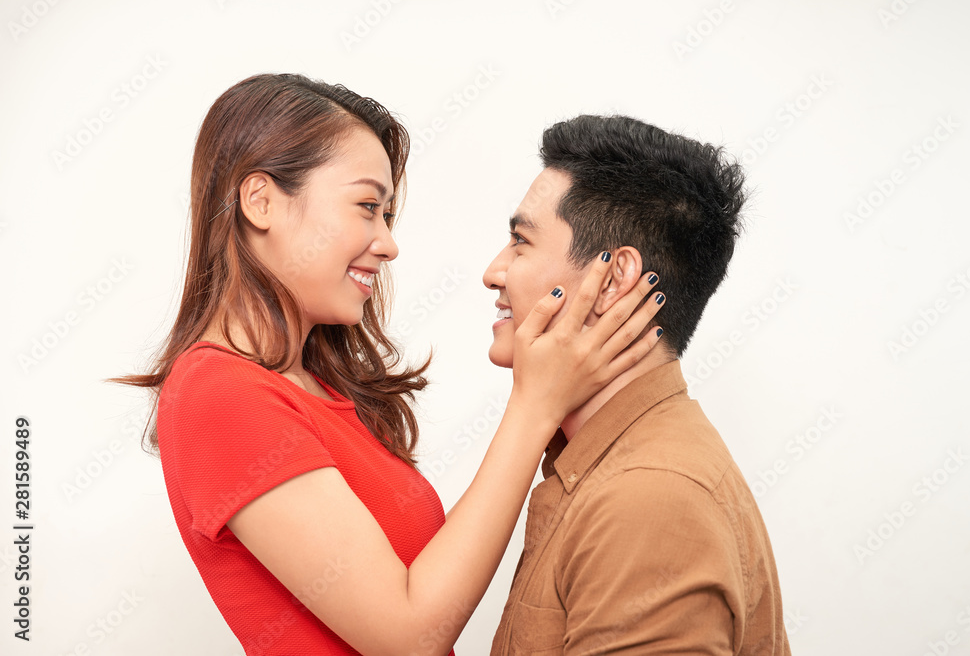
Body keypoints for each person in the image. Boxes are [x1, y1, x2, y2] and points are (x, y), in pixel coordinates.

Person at [111, 74, 665, 655]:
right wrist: (534, 406)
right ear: (262, 202)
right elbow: (408, 634)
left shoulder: (313, 388)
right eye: (366, 207)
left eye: (387, 217)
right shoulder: (218, 392)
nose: (387, 243)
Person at [483, 115, 791, 655]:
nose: (494, 271)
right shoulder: (613, 465)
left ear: (613, 279)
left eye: (519, 242)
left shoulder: (650, 498)